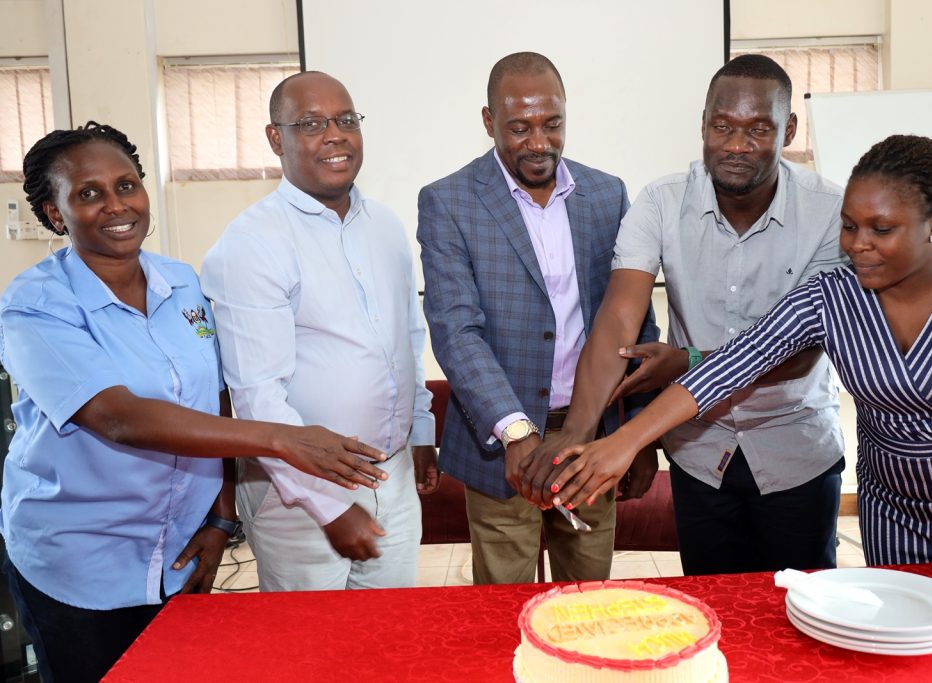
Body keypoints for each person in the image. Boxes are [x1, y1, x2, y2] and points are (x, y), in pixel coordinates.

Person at [0, 122, 389, 683]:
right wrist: (284, 438)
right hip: (80, 566)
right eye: (89, 194)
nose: (117, 205)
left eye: (127, 185)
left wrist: (221, 518)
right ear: (55, 213)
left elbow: (217, 401)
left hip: (178, 555)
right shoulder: (35, 305)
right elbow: (118, 418)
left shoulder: (181, 284)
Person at [551, 134, 932, 590]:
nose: (857, 244)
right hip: (894, 516)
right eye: (848, 225)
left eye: (881, 230)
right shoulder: (831, 297)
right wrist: (625, 442)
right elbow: (732, 364)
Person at [531, 54, 848, 576]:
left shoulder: (830, 213)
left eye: (758, 129)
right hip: (701, 453)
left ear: (789, 129)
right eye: (722, 126)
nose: (737, 145)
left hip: (796, 451)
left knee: (797, 618)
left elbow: (797, 350)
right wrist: (580, 431)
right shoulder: (660, 202)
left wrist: (689, 360)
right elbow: (617, 321)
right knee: (711, 612)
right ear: (703, 124)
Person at [417, 52, 658, 585]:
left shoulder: (606, 194)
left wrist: (641, 435)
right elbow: (457, 330)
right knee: (505, 606)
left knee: (589, 597)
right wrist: (515, 431)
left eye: (552, 125)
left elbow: (635, 321)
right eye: (519, 128)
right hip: (501, 444)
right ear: (488, 122)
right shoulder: (448, 202)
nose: (539, 142)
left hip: (592, 432)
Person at [201, 71, 438, 592]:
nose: (334, 135)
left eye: (345, 119)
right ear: (274, 138)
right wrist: (329, 506)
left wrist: (419, 431)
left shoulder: (386, 226)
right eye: (310, 123)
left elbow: (407, 339)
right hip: (297, 491)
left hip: (391, 475)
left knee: (387, 642)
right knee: (312, 655)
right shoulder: (252, 243)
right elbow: (258, 396)